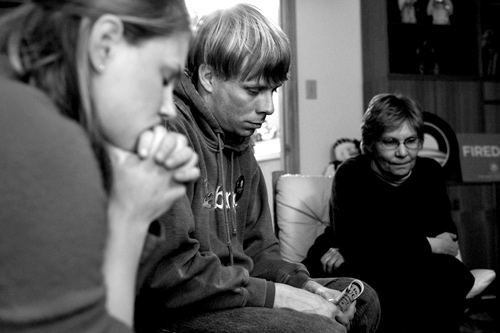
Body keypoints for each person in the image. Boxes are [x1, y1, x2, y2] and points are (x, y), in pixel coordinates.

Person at [134, 4, 381, 333]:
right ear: (208, 77)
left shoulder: (241, 142)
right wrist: (282, 298)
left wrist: (304, 287)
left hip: (234, 292)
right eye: (253, 90)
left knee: (362, 301)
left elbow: (259, 248)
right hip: (181, 306)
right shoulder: (166, 132)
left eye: (273, 90)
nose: (267, 108)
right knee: (320, 329)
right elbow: (170, 273)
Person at [0, 0, 199, 331]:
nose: (170, 109)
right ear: (105, 44)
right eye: (165, 79)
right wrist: (130, 215)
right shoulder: (41, 137)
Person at [305, 93, 474, 333]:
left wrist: (382, 242)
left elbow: (449, 239)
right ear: (371, 143)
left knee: (451, 275)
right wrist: (429, 244)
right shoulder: (351, 174)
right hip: (343, 258)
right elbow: (357, 244)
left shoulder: (430, 172)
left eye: (411, 141)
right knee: (368, 278)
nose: (403, 153)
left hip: (404, 266)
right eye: (390, 142)